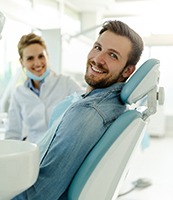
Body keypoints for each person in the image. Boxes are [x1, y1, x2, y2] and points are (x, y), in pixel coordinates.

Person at [12, 20, 144, 200]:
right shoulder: (103, 103)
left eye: (112, 55)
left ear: (128, 71)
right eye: (98, 47)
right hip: (33, 158)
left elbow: (40, 193)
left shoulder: (88, 111)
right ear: (22, 62)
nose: (98, 59)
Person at [5, 33, 83, 143]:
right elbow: (12, 134)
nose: (37, 63)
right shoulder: (19, 93)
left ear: (47, 56)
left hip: (60, 146)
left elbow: (87, 104)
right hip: (33, 152)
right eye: (30, 58)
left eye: (41, 56)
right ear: (22, 62)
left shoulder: (66, 83)